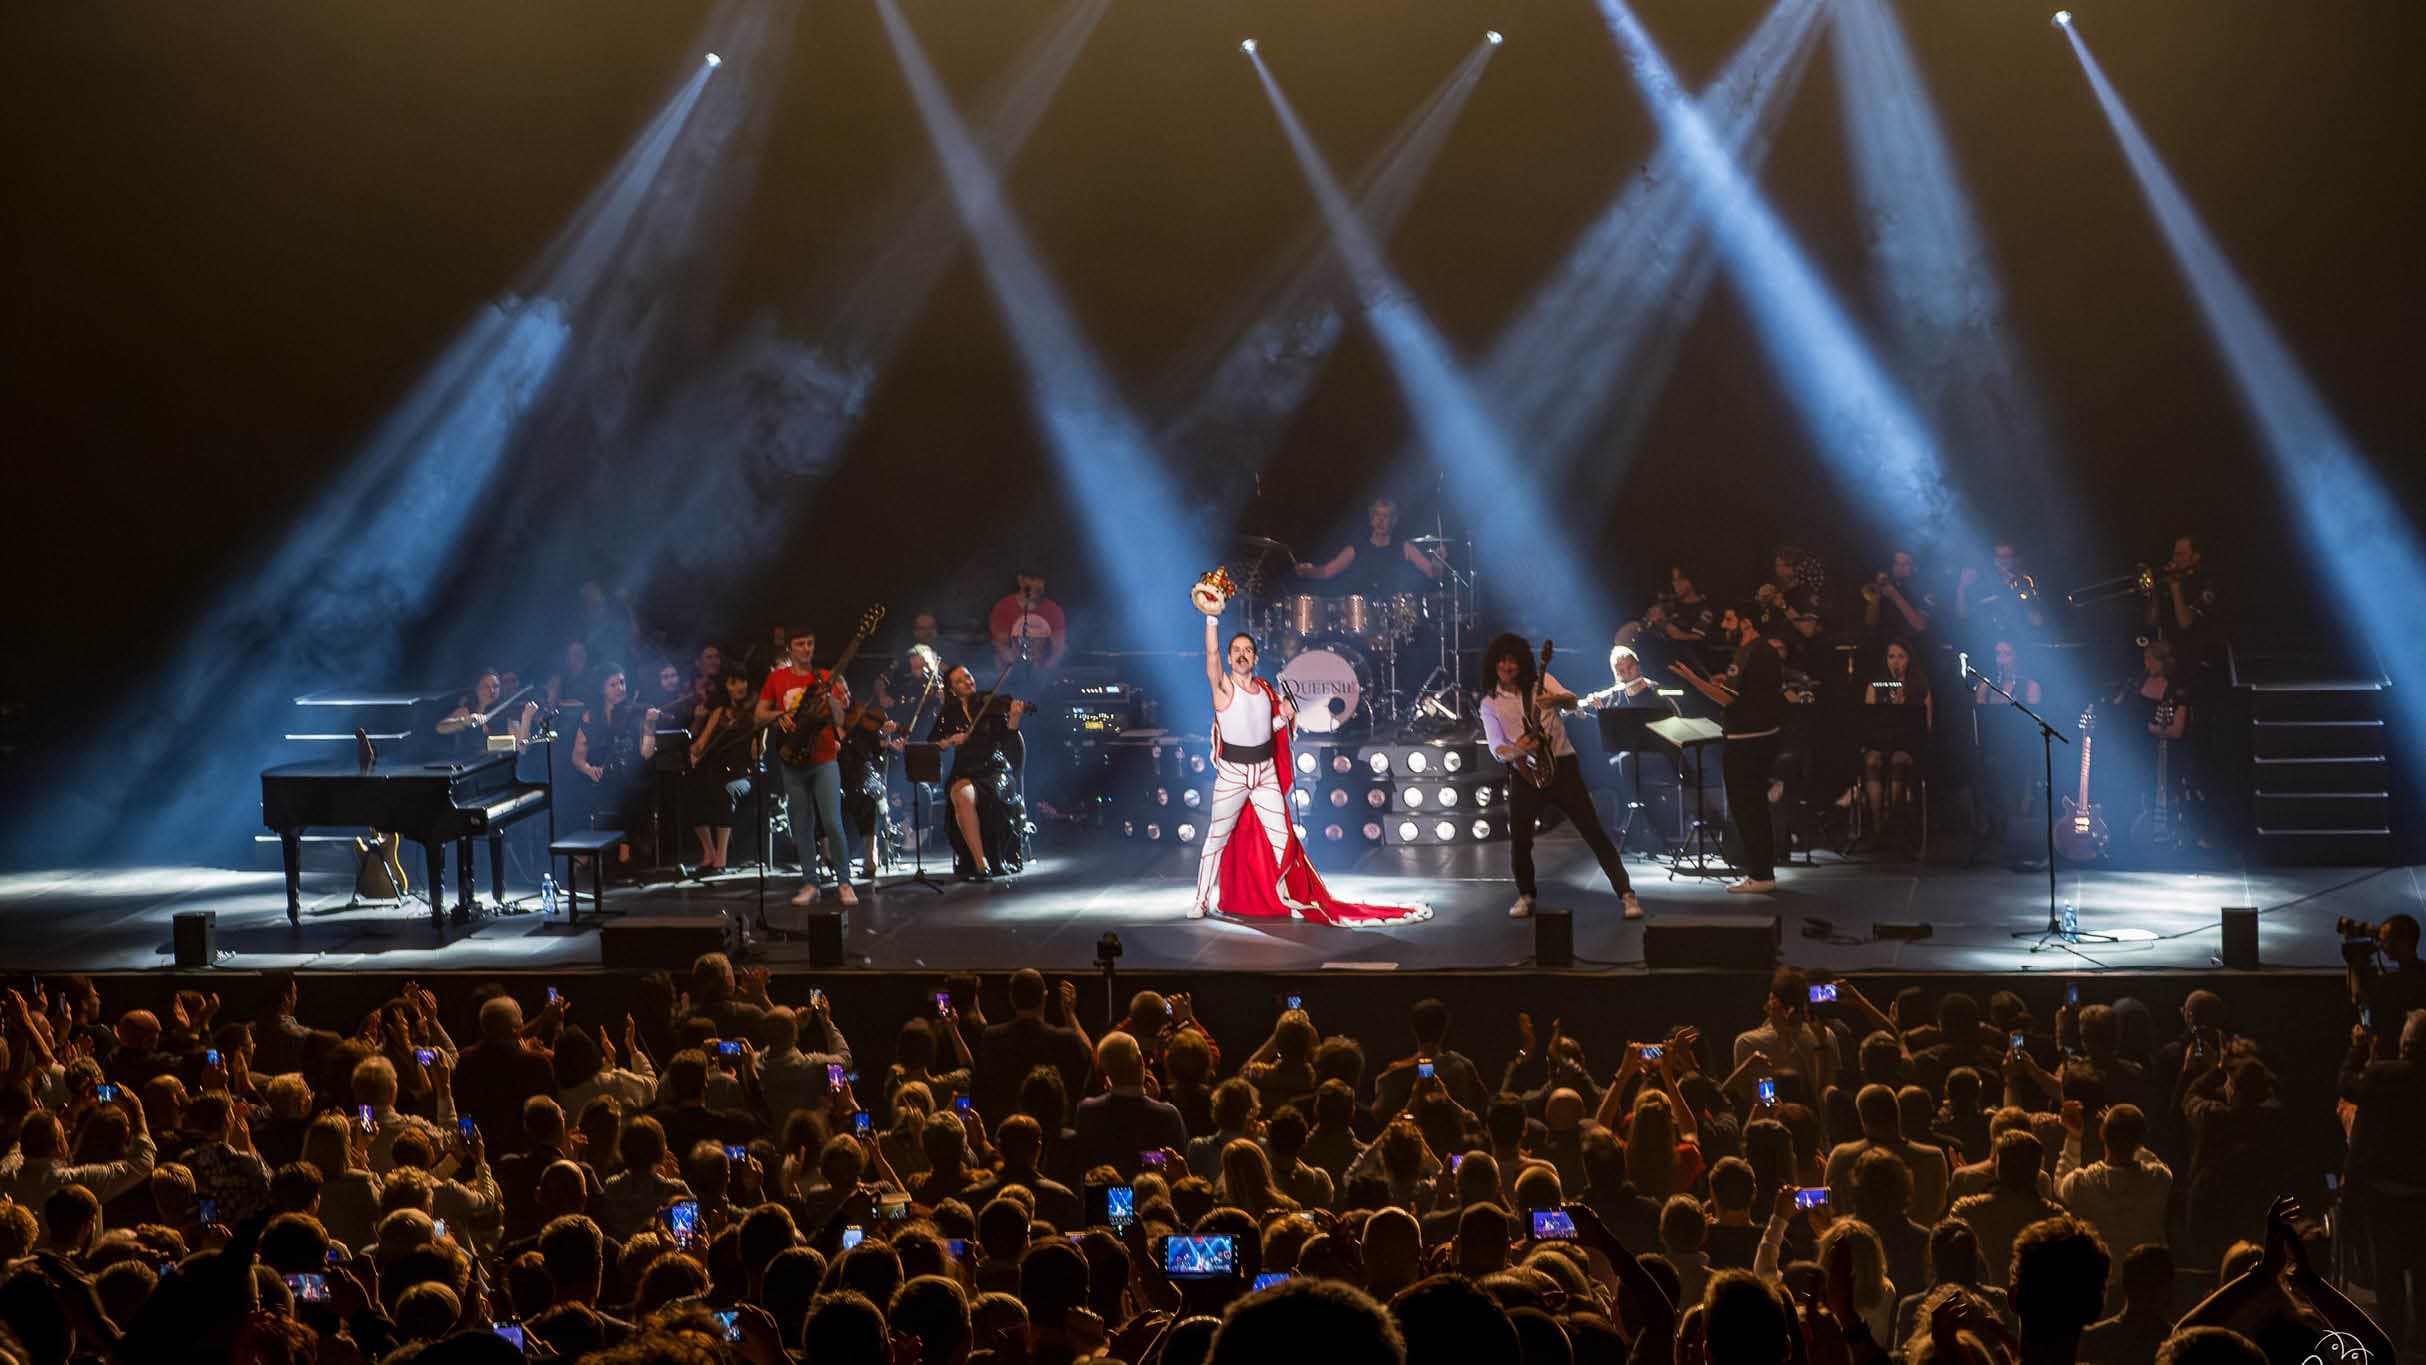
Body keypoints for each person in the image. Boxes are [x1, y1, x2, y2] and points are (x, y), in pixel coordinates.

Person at [1188, 592, 1422, 925]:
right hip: (1234, 774)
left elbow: (1264, 729)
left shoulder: (1265, 691)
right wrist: (1211, 618)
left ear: (1255, 658)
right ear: (1229, 657)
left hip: (1264, 773)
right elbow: (1210, 657)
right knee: (1217, 837)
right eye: (1236, 651)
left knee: (1283, 839)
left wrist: (1283, 717)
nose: (1241, 655)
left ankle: (1292, 895)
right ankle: (1200, 900)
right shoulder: (1224, 688)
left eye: (1247, 650)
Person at [1476, 633, 1641, 921]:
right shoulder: (1490, 703)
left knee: (1593, 832)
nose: (1506, 666)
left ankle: (1626, 894)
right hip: (1525, 772)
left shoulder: (1542, 682)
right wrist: (1519, 749)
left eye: (1512, 661)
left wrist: (1554, 700)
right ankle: (1526, 895)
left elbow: (1573, 703)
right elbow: (1497, 748)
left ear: (1522, 663)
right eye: (1501, 661)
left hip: (1563, 767)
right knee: (1521, 840)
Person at [1671, 606, 1784, 894]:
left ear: (1746, 623)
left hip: (1745, 741)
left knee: (1746, 809)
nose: (1724, 625)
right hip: (1766, 737)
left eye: (1730, 619)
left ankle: (1760, 875)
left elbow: (1726, 699)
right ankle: (1764, 872)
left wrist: (1692, 680)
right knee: (1757, 808)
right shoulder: (1768, 650)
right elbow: (1752, 688)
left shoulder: (1746, 651)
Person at [754, 626, 857, 908]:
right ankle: (811, 882)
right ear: (790, 647)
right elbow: (758, 715)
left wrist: (833, 700)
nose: (806, 648)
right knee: (801, 824)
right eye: (800, 644)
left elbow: (839, 720)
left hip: (824, 758)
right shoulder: (777, 678)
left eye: (810, 643)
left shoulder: (825, 677)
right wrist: (778, 715)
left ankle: (844, 882)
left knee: (832, 822)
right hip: (792, 760)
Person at [928, 666, 1029, 883]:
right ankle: (980, 862)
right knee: (961, 794)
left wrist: (1014, 717)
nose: (967, 682)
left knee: (993, 797)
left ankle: (995, 858)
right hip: (965, 769)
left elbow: (1007, 737)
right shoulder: (949, 714)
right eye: (959, 681)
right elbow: (933, 743)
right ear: (952, 689)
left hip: (995, 769)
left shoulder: (989, 704)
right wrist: (949, 740)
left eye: (968, 676)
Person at [568, 664, 659, 855]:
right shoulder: (591, 716)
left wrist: (650, 724)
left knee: (628, 794)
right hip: (606, 780)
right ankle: (600, 854)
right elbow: (577, 757)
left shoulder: (636, 713)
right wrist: (589, 769)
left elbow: (646, 753)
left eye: (622, 683)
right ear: (602, 689)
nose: (620, 688)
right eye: (613, 685)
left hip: (635, 779)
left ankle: (626, 852)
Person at [1858, 640, 1933, 847]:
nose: (1896, 662)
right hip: (1881, 744)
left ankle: (1895, 822)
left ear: (1909, 659)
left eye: (1901, 656)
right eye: (1891, 657)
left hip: (1909, 747)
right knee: (1872, 761)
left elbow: (1926, 726)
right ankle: (1877, 825)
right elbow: (1868, 722)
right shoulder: (1877, 685)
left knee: (1898, 761)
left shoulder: (1920, 686)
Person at [684, 669, 758, 874]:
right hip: (718, 769)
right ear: (726, 686)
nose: (740, 686)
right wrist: (695, 735)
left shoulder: (754, 713)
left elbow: (756, 754)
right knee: (691, 790)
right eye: (734, 682)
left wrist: (759, 732)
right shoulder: (720, 712)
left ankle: (721, 858)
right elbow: (701, 743)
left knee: (725, 792)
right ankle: (708, 852)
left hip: (744, 773)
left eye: (743, 681)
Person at [1293, 499, 1447, 597]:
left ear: (1393, 521)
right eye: (1377, 515)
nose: (1380, 520)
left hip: (1393, 618)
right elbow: (1328, 571)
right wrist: (1308, 571)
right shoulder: (1356, 548)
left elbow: (1433, 574)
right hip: (1363, 618)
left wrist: (1438, 561)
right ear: (1371, 520)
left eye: (1385, 516)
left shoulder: (1405, 547)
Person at [435, 669, 538, 757]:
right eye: (486, 686)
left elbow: (522, 749)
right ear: (477, 688)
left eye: (496, 686)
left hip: (495, 765)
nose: (491, 691)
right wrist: (463, 721)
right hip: (466, 766)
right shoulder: (467, 710)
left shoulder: (507, 713)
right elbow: (440, 728)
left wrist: (526, 718)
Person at [988, 571, 1068, 679]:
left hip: (1042, 675)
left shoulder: (1053, 610)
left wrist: (1046, 671)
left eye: (1041, 580)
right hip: (1009, 674)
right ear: (1021, 580)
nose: (1037, 584)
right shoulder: (1004, 607)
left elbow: (1059, 648)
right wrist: (1016, 666)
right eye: (1032, 579)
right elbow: (1000, 643)